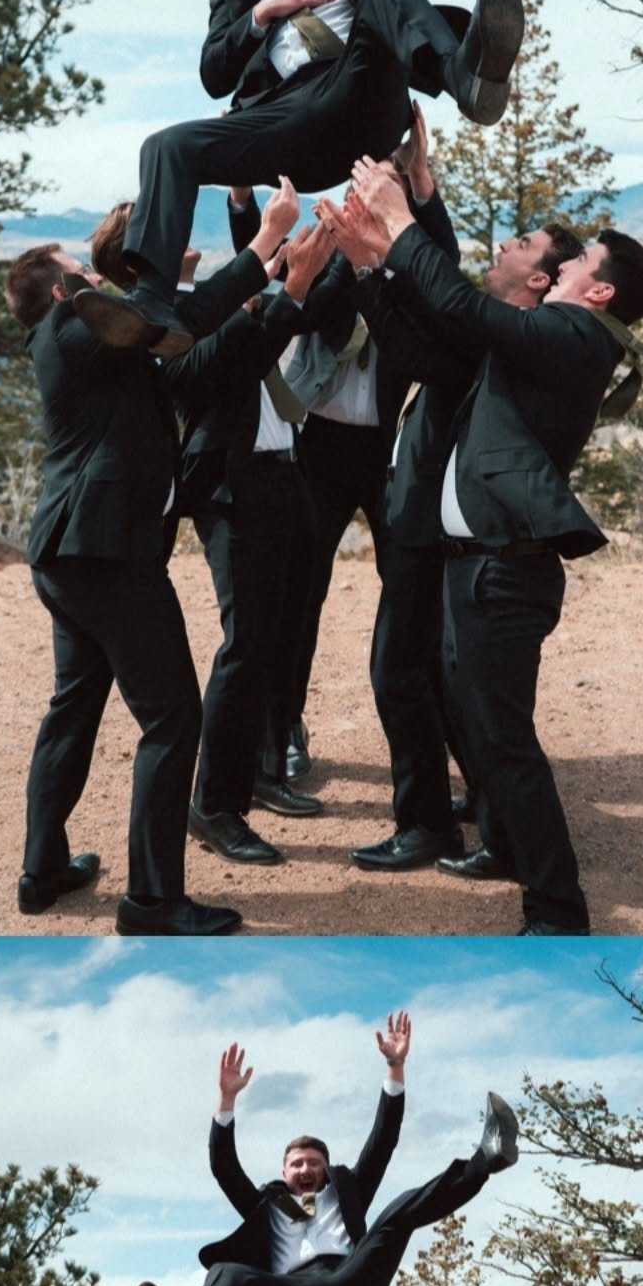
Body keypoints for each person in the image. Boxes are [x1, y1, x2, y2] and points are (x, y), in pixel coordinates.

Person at [326, 166, 643, 934]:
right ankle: (509, 850)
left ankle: (556, 910)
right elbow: (442, 332)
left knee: (506, 744)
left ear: (599, 292)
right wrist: (373, 261)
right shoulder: (546, 340)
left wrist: (401, 222)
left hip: (502, 573)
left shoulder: (573, 334)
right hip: (474, 566)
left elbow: (458, 305)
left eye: (577, 266)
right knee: (481, 730)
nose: (564, 272)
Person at [5, 182, 300, 935]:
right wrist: (263, 245)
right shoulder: (76, 328)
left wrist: (281, 291)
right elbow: (185, 314)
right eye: (80, 273)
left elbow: (194, 355)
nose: (92, 279)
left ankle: (43, 872)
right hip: (106, 556)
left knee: (74, 706)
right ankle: (152, 900)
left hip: (75, 554)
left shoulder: (98, 342)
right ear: (59, 291)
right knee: (172, 719)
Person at [72, 0, 526, 354]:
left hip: (359, 86)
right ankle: (153, 298)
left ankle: (466, 80)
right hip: (285, 119)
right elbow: (214, 73)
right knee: (165, 146)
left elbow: (396, 6)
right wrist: (262, 12)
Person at [226, 103, 462, 806]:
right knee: (299, 597)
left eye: (382, 197)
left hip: (389, 451)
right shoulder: (336, 245)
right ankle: (281, 735)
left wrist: (420, 197)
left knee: (415, 598)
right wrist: (259, 209)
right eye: (365, 195)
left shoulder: (415, 257)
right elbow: (276, 278)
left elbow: (442, 272)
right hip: (319, 442)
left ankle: (434, 746)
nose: (370, 207)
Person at [342, 197, 584, 873]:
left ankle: (428, 825)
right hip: (421, 518)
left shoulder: (506, 332)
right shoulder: (496, 328)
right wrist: (372, 269)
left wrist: (382, 254)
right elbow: (425, 331)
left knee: (402, 672)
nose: (506, 244)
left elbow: (428, 326)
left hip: (435, 528)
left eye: (523, 243)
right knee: (433, 678)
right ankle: (491, 816)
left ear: (539, 278)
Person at [135, 1012, 519, 1286]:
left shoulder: (347, 1192)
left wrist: (395, 1065)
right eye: (297, 1164)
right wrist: (227, 1099)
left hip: (352, 1285)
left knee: (398, 1212)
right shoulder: (270, 1210)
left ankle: (487, 1157)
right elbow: (224, 1168)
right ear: (284, 1173)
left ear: (327, 1170)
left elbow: (383, 1139)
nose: (306, 1169)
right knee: (228, 1271)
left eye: (314, 1163)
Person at [161, 220, 339, 863]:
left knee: (283, 637)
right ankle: (213, 806)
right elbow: (200, 377)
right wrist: (272, 289)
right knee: (247, 646)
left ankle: (264, 771)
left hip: (285, 477)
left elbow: (299, 320)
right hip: (233, 489)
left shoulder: (243, 300)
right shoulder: (177, 313)